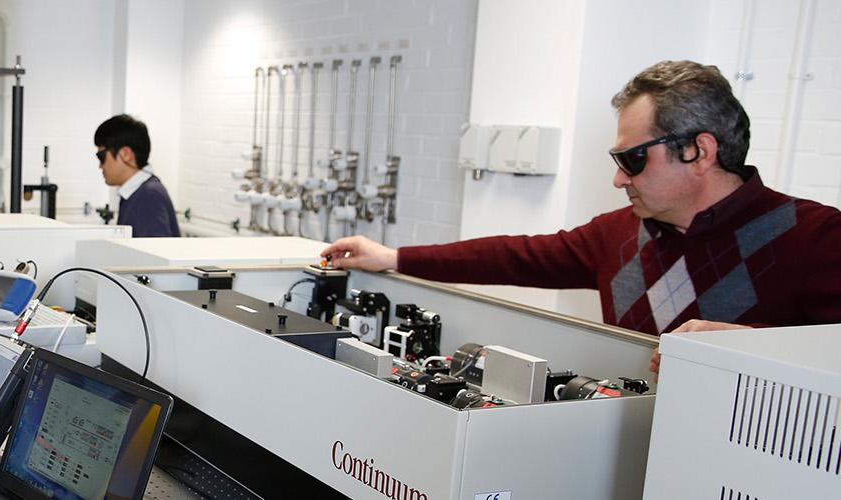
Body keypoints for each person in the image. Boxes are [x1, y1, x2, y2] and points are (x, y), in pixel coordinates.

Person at [320, 60, 841, 372]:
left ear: (699, 152)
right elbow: (514, 257)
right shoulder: (618, 236)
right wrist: (392, 257)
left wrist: (756, 346)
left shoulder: (817, 238)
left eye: (632, 158)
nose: (619, 179)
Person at [94, 114, 181, 237]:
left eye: (101, 157)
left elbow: (157, 253)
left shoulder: (149, 196)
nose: (100, 166)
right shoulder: (135, 194)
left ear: (125, 154)